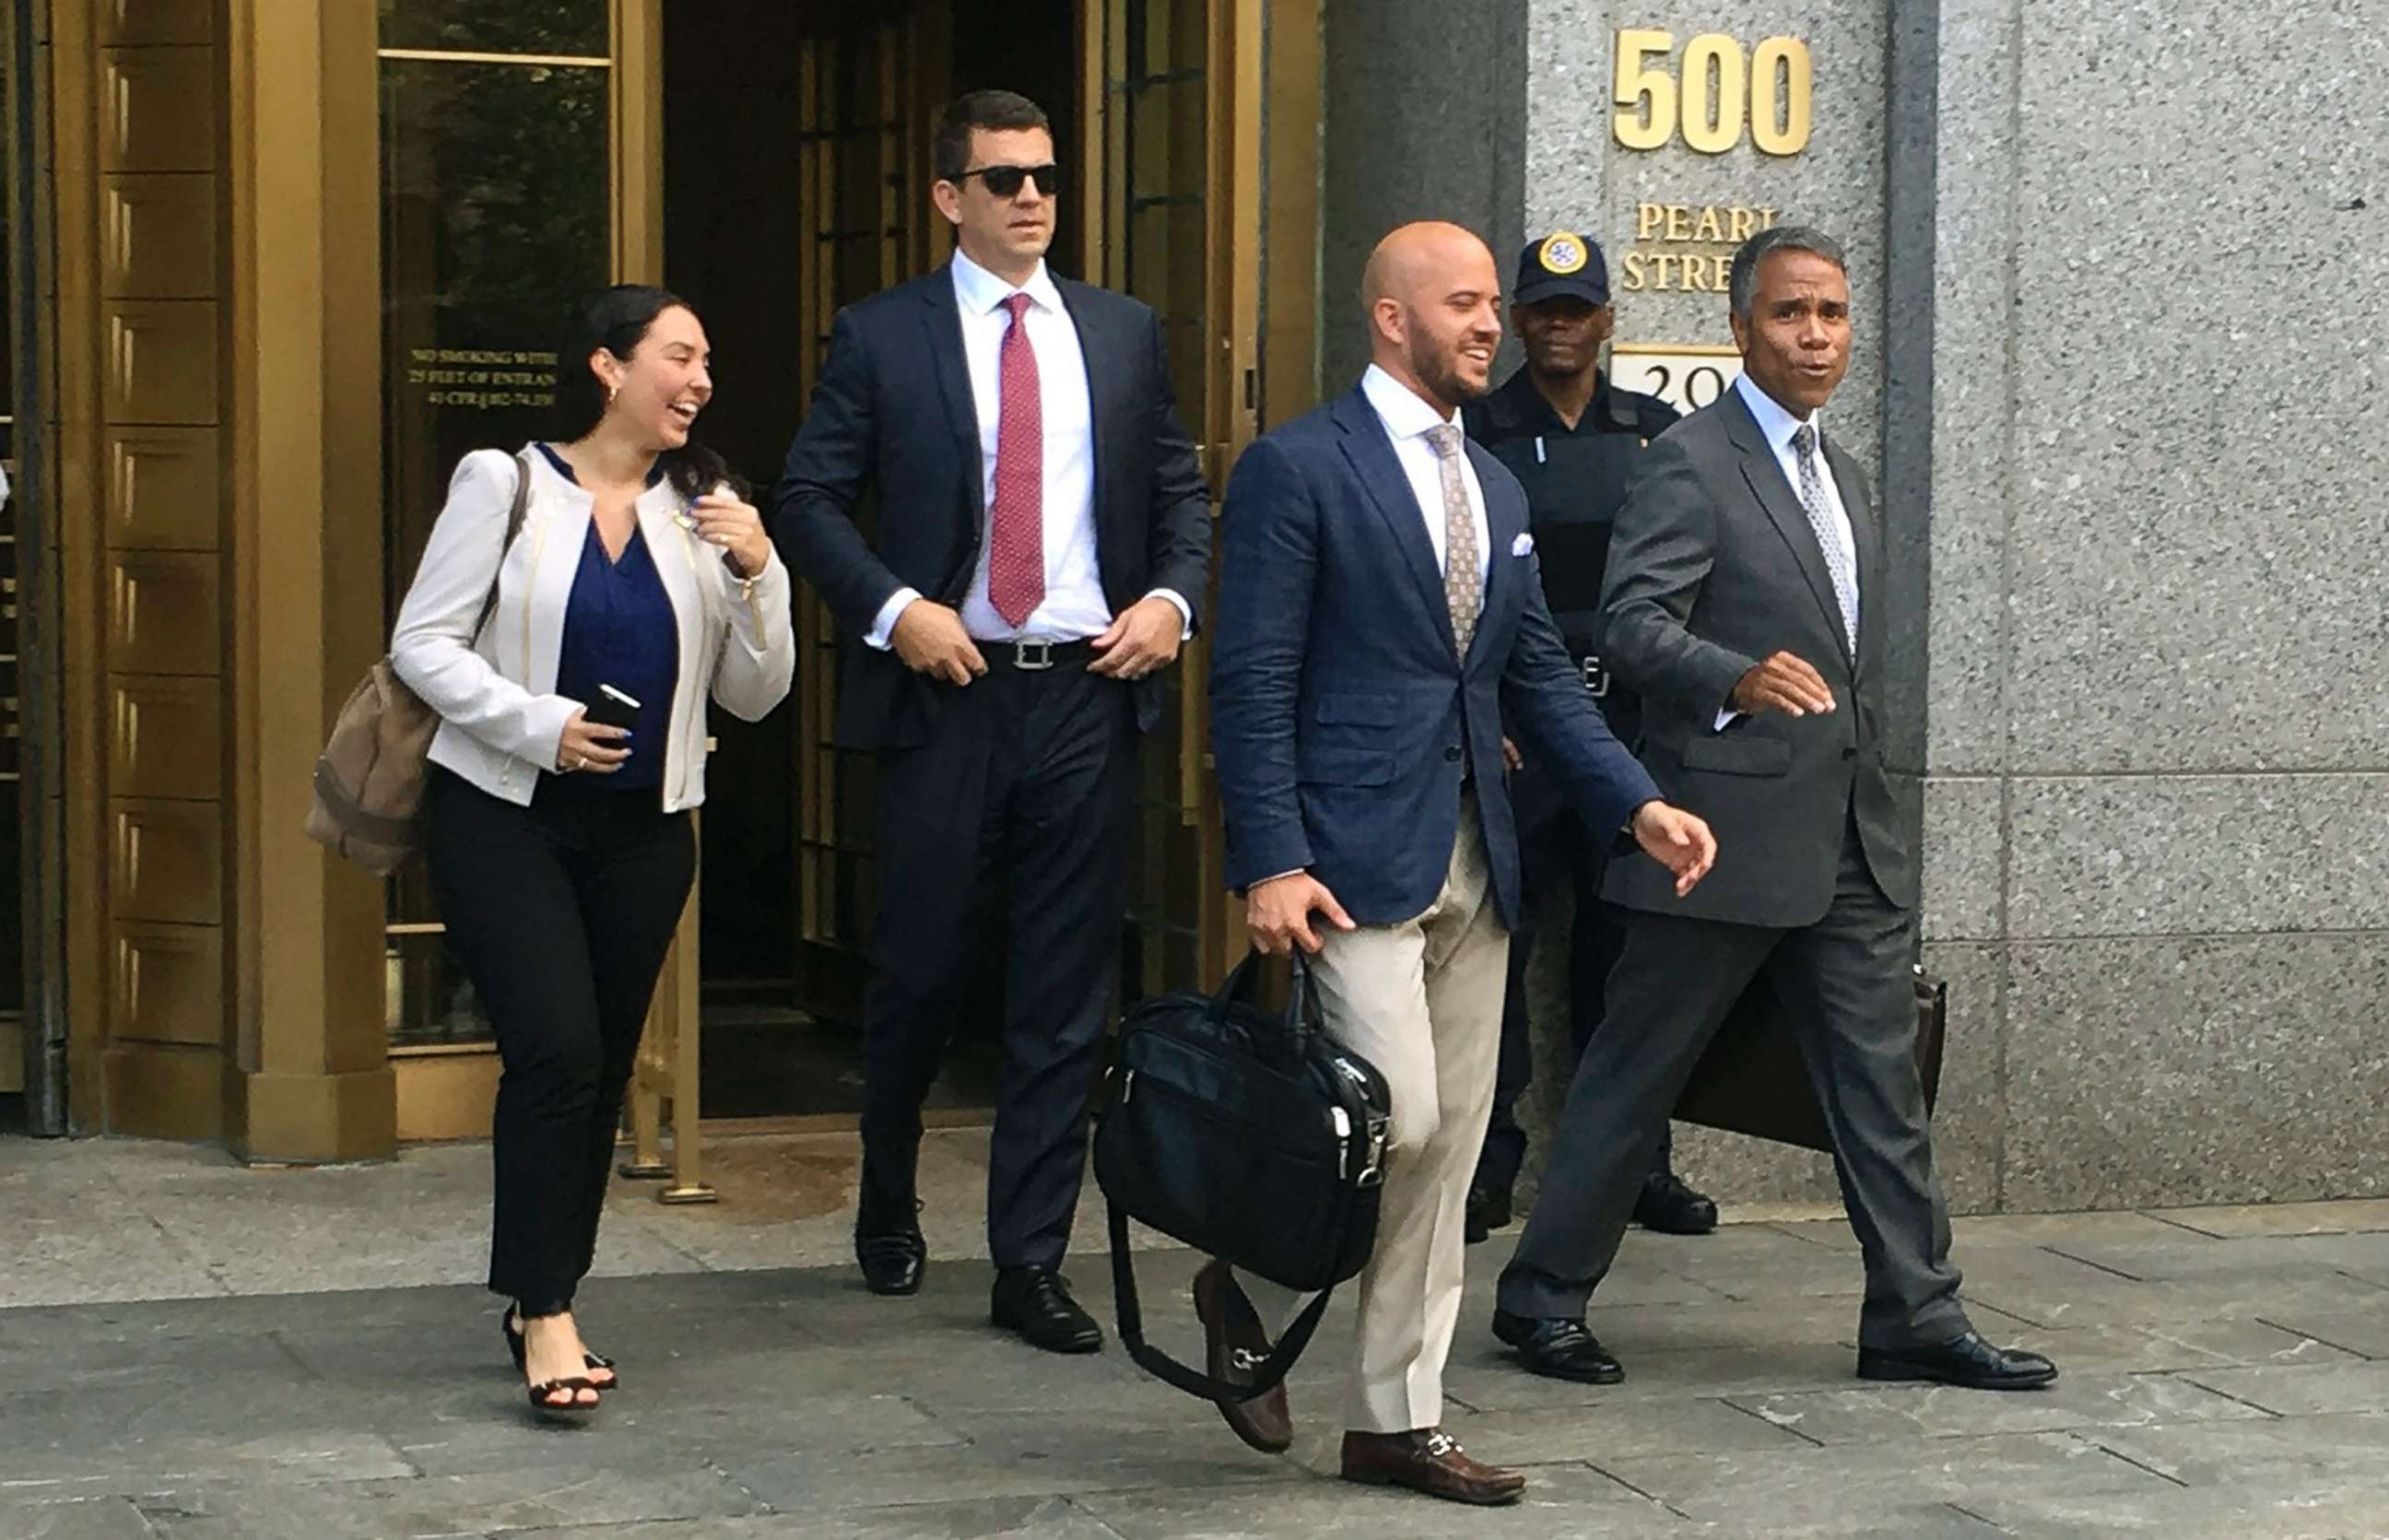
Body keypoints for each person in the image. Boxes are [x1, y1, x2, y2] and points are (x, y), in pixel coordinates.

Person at [1490, 227, 2060, 1394]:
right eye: (1793, 313)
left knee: (1881, 1087)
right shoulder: (1691, 461)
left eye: (1835, 314)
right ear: (1742, 330)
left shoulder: (1843, 474)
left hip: (1849, 840)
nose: (1817, 335)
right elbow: (1635, 623)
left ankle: (1915, 1312)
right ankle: (1541, 1299)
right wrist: (1732, 678)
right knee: (1631, 1077)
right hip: (1720, 838)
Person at [1205, 221, 1716, 1505]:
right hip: (1345, 859)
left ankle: (1396, 1416)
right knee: (1399, 1116)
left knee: (1449, 1144)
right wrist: (1270, 854)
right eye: (1467, 303)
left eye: (1495, 304)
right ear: (1392, 317)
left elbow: (1532, 669)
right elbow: (1253, 675)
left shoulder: (1492, 484)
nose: (1491, 324)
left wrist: (1635, 804)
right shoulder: (1295, 467)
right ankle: (1249, 1284)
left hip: (1478, 854)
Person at [770, 89, 1210, 1354]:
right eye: (1005, 177)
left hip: (1085, 685)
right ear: (950, 197)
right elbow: (806, 497)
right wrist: (897, 606)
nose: (1032, 198)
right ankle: (890, 1188)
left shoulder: (1123, 334)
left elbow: (1180, 490)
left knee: (1065, 991)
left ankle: (1029, 1260)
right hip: (945, 688)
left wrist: (1174, 600)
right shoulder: (883, 334)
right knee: (916, 969)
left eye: (1048, 178)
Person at [391, 285, 795, 1416]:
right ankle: (547, 1308)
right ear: (609, 368)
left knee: (603, 1065)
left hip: (645, 833)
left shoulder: (708, 510)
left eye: (708, 358)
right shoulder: (503, 481)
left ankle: (542, 1291)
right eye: (680, 354)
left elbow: (757, 697)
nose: (702, 378)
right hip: (505, 814)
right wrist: (540, 727)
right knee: (558, 1050)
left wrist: (761, 572)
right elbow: (421, 643)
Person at [1459, 231, 1716, 1244]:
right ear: (1519, 320)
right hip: (1525, 736)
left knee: (1626, 961)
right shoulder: (1477, 428)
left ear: (1609, 320)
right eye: (1544, 309)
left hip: (1625, 736)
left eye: (1579, 309)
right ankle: (1487, 1166)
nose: (1560, 325)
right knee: (1499, 956)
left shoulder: (1657, 434)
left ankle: (1635, 1165)